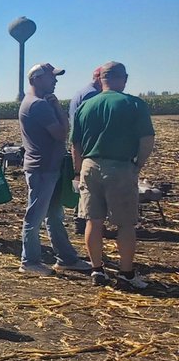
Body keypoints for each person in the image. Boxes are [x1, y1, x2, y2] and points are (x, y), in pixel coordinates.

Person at [72, 61, 154, 288]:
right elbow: (147, 140)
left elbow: (75, 144)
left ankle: (97, 270)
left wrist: (78, 172)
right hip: (120, 167)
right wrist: (137, 165)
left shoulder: (85, 106)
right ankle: (126, 273)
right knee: (126, 224)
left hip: (89, 166)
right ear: (123, 79)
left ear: (101, 79)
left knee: (93, 221)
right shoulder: (134, 104)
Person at [19, 63, 92, 275]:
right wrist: (60, 110)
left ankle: (66, 258)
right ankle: (29, 261)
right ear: (37, 79)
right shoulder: (38, 105)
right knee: (35, 216)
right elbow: (62, 134)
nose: (55, 81)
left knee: (53, 215)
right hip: (43, 168)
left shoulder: (36, 102)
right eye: (52, 77)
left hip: (46, 167)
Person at [69, 67, 104, 235]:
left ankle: (80, 219)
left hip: (80, 144)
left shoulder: (81, 92)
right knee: (88, 186)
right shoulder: (93, 95)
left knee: (84, 183)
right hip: (87, 146)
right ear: (98, 78)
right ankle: (82, 220)